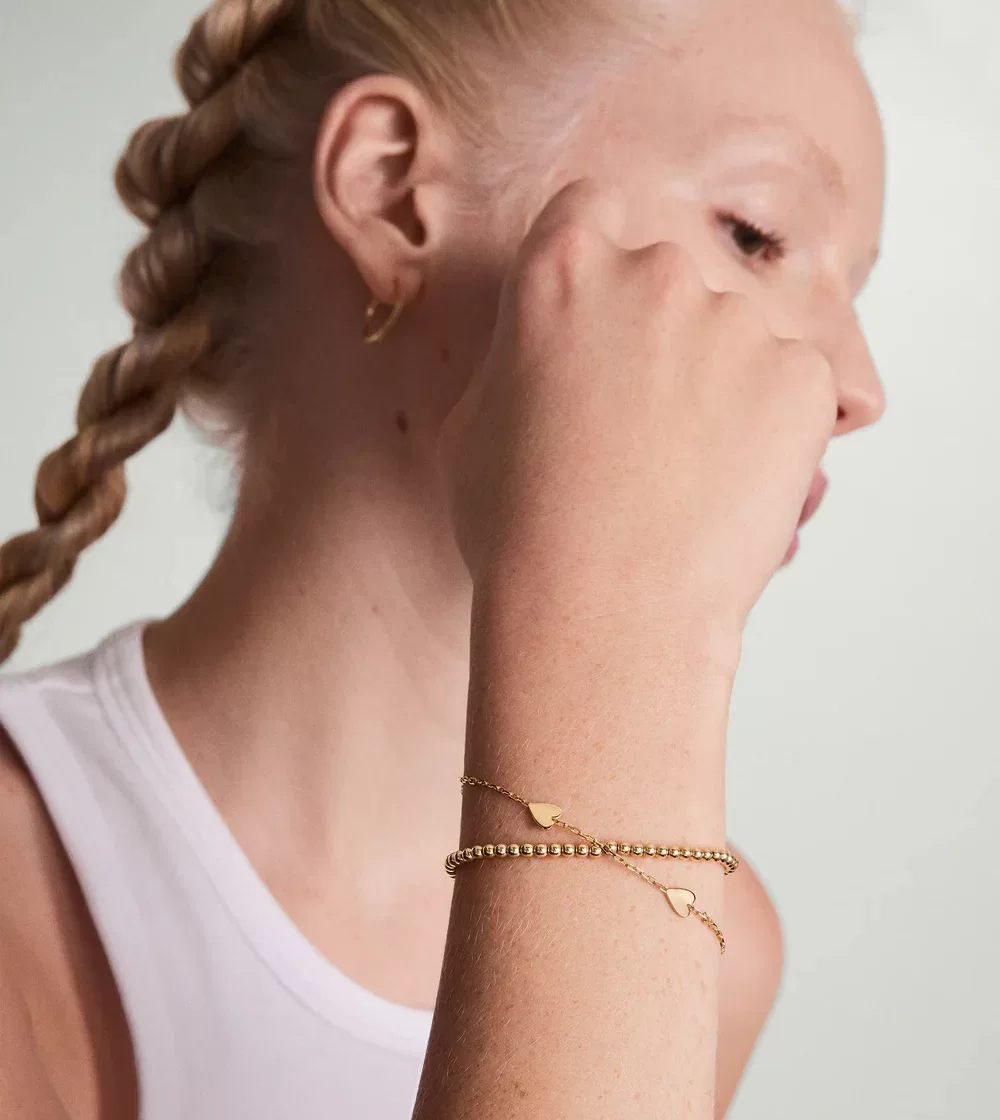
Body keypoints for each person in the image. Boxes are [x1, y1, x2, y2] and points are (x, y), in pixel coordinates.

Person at [0, 0, 886, 1115]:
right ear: (392, 190)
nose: (858, 387)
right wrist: (625, 628)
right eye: (755, 234)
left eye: (855, 287)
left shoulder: (718, 943)